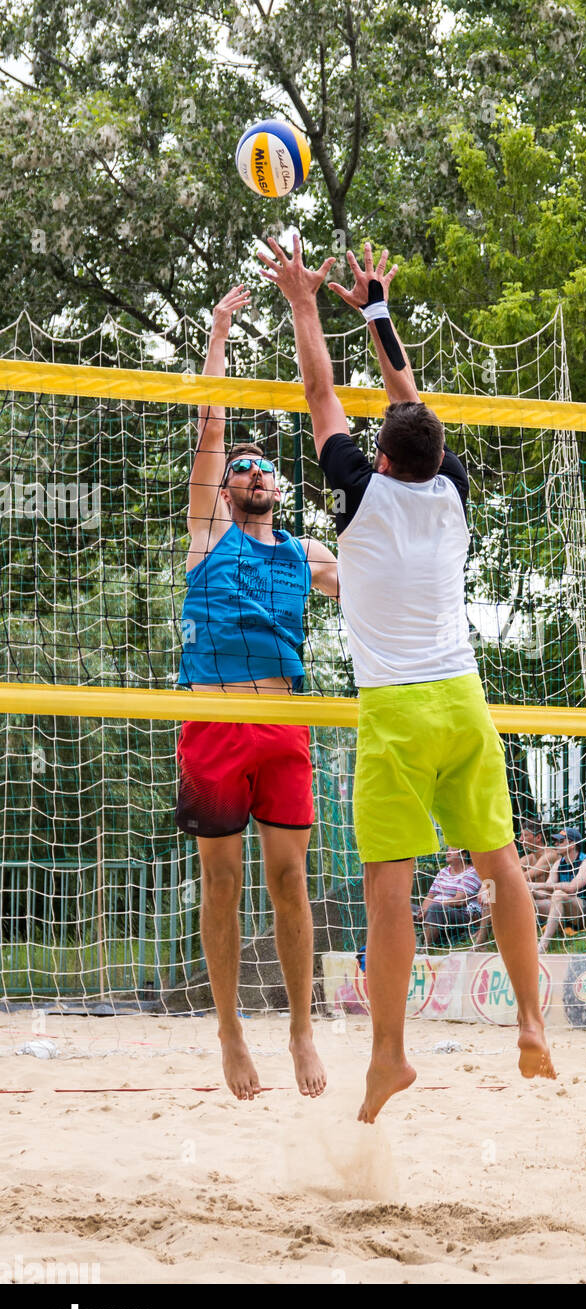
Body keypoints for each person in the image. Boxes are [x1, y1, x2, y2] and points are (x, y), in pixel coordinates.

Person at [259, 233, 555, 1122]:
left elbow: (320, 392)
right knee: (502, 865)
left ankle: (388, 1056)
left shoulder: (363, 489)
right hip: (465, 701)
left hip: (392, 711)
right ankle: (533, 1022)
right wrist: (375, 309)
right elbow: (411, 403)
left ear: (381, 458)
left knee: (389, 888)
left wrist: (305, 300)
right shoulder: (452, 486)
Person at [177, 285, 339, 1103]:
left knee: (287, 882)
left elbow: (378, 584)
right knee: (222, 883)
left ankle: (301, 1028)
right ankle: (231, 1033)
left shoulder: (306, 552)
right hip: (212, 716)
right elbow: (210, 425)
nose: (252, 472)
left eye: (265, 468)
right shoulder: (208, 532)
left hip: (285, 722)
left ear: (280, 488)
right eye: (242, 467)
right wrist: (220, 332)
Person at [536, 827, 586, 950]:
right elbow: (545, 891)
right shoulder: (559, 862)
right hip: (568, 910)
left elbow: (572, 888)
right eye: (555, 841)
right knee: (530, 900)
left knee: (558, 894)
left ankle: (543, 945)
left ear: (573, 844)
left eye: (560, 841)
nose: (556, 844)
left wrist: (536, 885)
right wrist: (527, 889)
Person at [419, 848, 484, 949]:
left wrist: (433, 906)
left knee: (435, 909)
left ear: (463, 855)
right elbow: (429, 896)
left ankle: (425, 947)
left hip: (460, 915)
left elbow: (459, 900)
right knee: (407, 909)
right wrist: (424, 910)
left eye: (452, 850)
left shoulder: (471, 873)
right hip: (433, 910)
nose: (448, 852)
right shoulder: (443, 872)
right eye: (447, 849)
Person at [518, 818, 561, 886]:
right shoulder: (527, 859)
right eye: (521, 835)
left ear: (538, 837)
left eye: (525, 835)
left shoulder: (550, 855)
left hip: (554, 895)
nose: (520, 839)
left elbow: (522, 877)